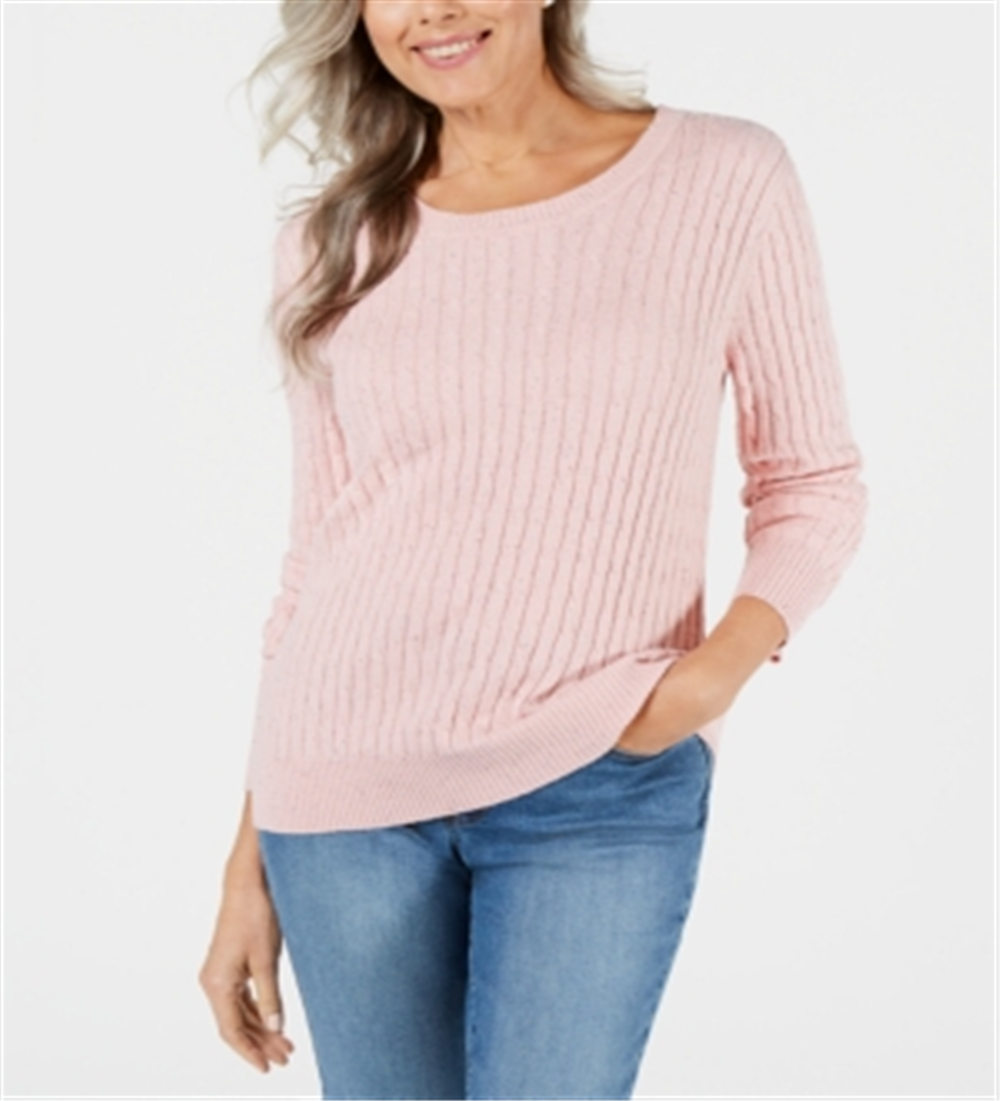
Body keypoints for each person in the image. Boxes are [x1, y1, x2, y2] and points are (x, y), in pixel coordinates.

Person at [198, 1, 867, 1096]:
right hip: (343, 793)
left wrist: (706, 682)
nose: (434, 10)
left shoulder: (721, 176)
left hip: (598, 776)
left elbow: (811, 482)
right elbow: (315, 557)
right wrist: (248, 863)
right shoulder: (331, 241)